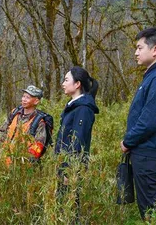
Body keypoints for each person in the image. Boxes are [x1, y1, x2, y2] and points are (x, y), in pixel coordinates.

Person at [120, 27, 156, 220]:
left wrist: (128, 141)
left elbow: (151, 119)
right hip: (146, 150)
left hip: (150, 151)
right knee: (148, 206)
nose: (136, 52)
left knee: (150, 209)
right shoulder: (154, 75)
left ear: (155, 50)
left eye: (139, 47)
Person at [54, 66, 99, 221]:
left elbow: (77, 141)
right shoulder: (74, 106)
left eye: (66, 80)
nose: (63, 83)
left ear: (77, 84)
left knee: (71, 207)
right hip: (63, 164)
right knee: (63, 206)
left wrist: (68, 171)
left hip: (72, 167)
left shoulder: (83, 108)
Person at [0, 85, 52, 165]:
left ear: (36, 101)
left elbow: (39, 145)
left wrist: (26, 162)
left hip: (22, 166)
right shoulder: (14, 113)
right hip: (3, 161)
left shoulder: (39, 122)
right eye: (23, 96)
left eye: (28, 97)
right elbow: (2, 131)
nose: (24, 99)